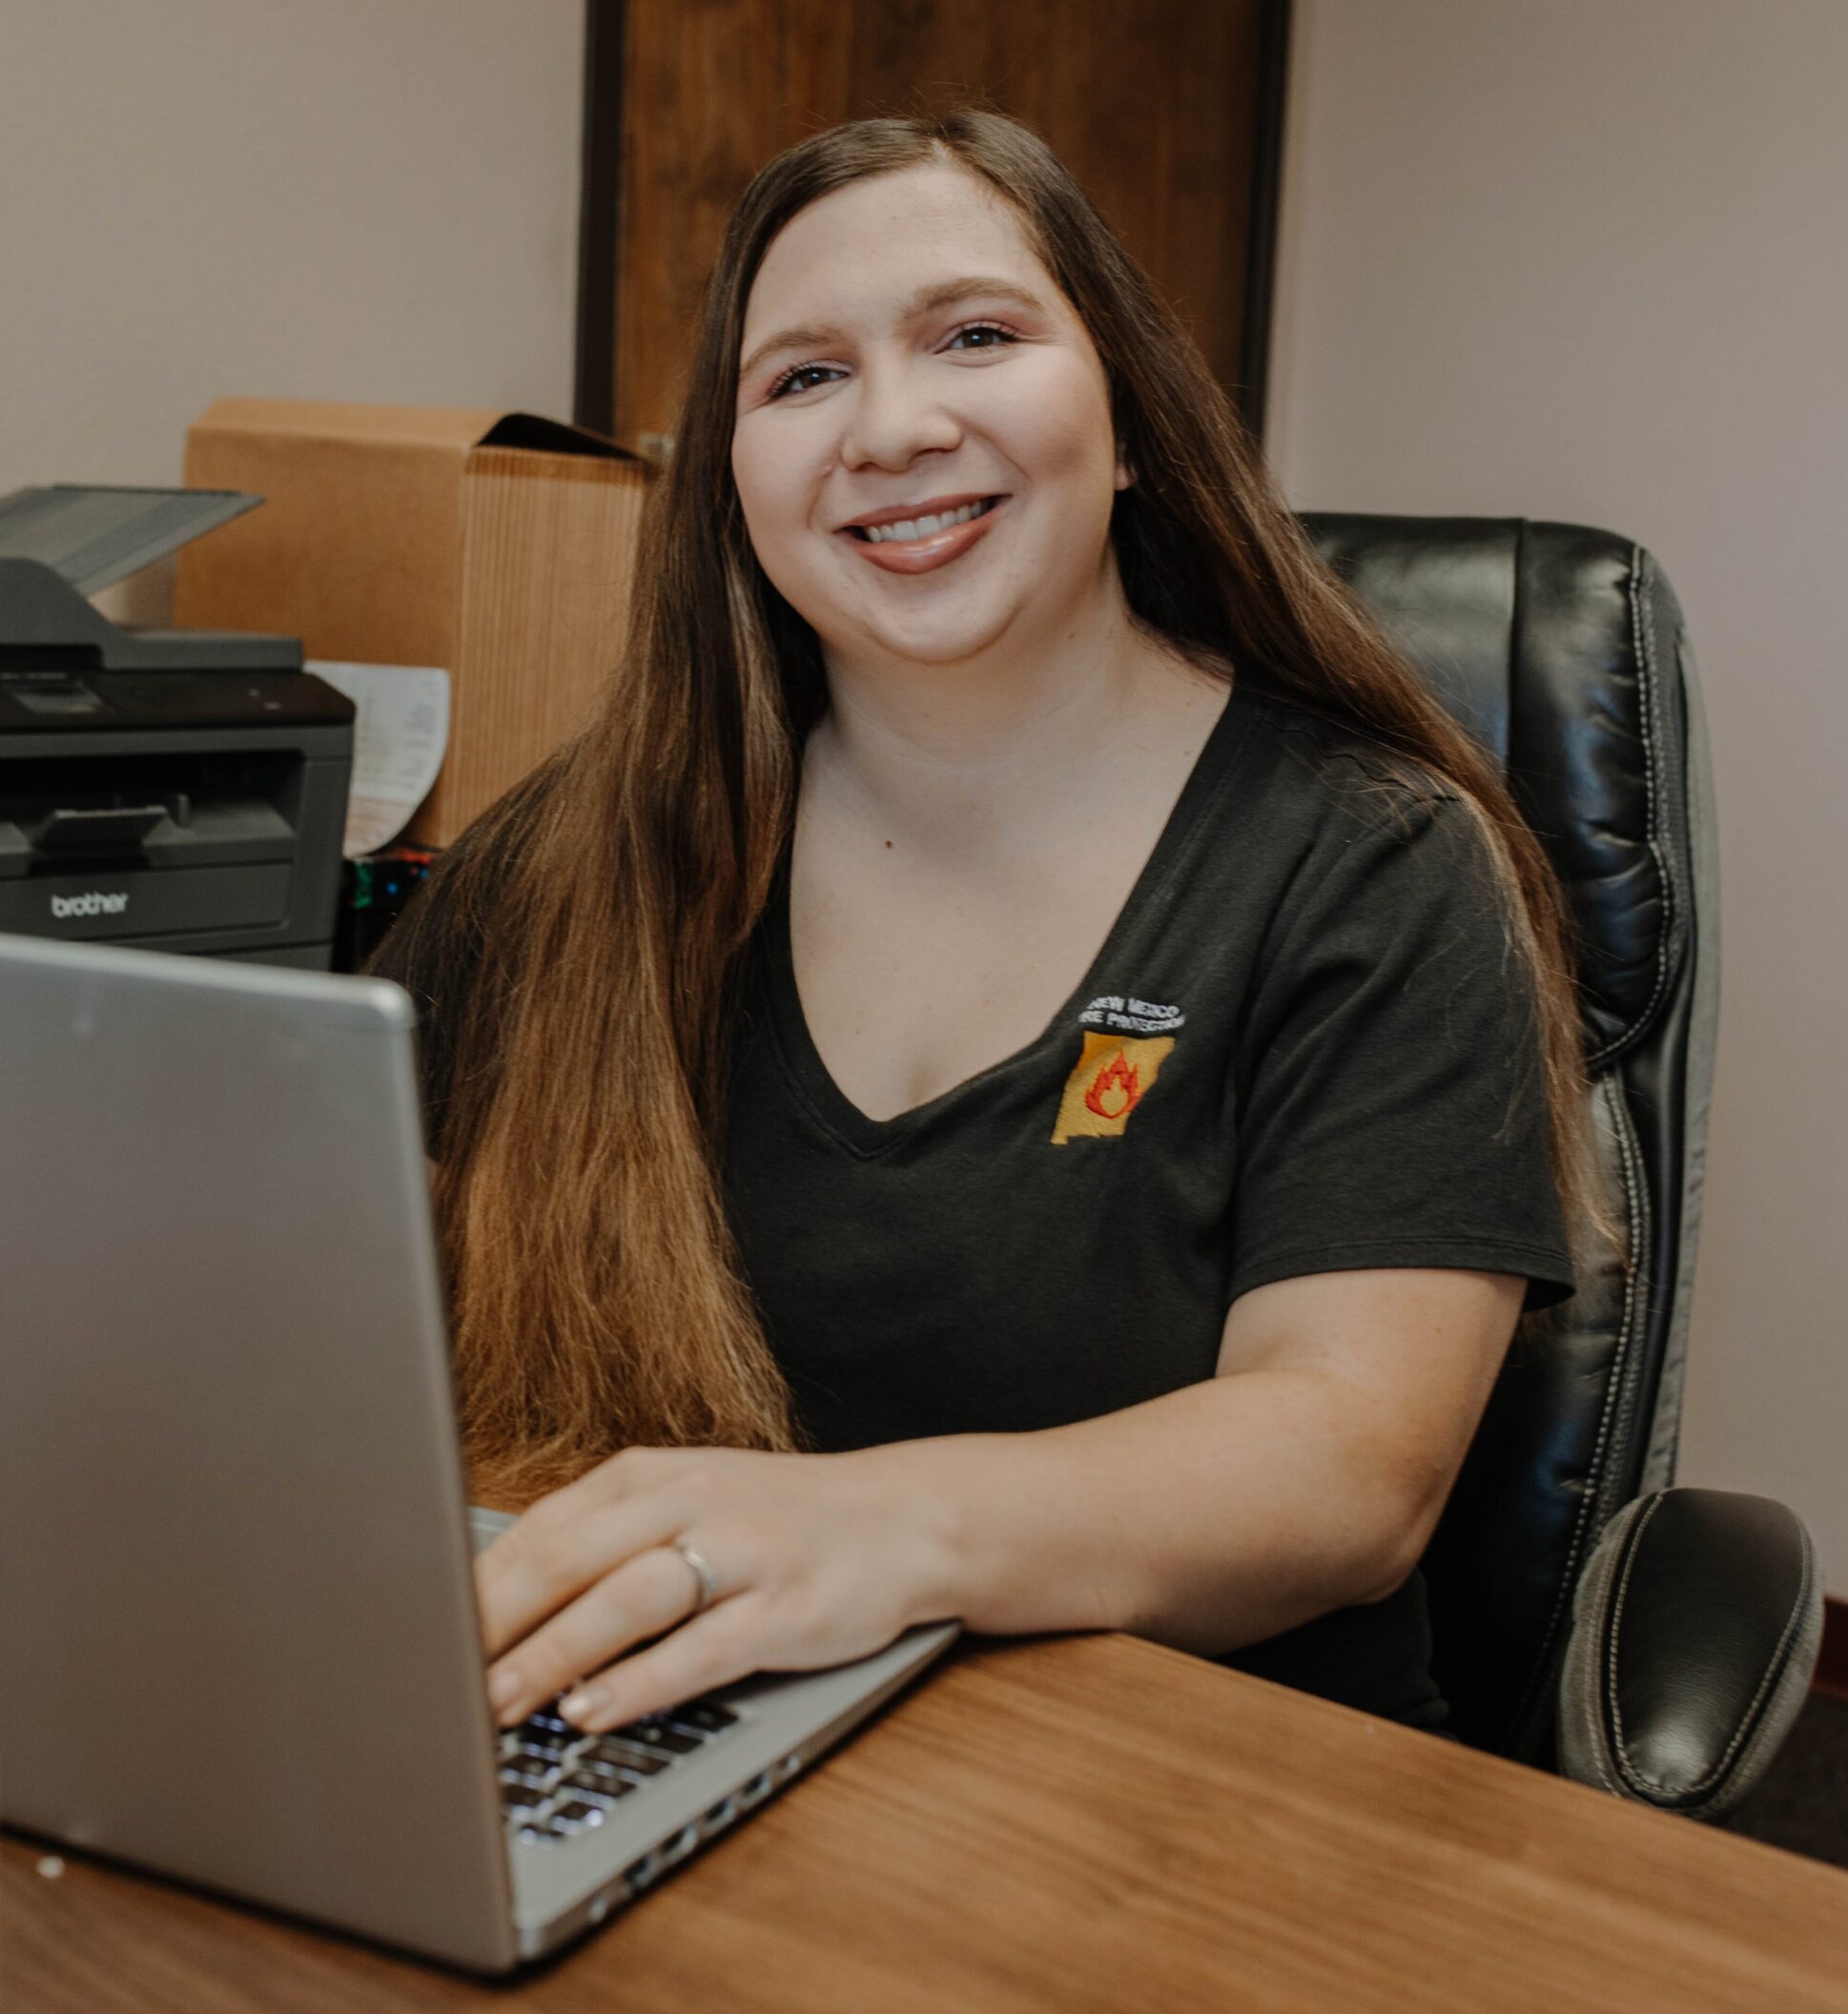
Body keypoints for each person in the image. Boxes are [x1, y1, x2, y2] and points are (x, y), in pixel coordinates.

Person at [368, 111, 1612, 1744]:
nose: (887, 427)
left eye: (975, 335)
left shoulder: (1367, 856)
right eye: (799, 377)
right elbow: (329, 1288)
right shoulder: (583, 858)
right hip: (683, 1738)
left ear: (1128, 424)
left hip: (1202, 1790)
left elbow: (1345, 1466)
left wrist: (866, 1531)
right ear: (731, 484)